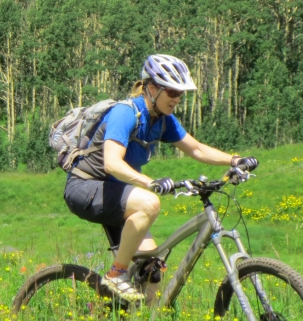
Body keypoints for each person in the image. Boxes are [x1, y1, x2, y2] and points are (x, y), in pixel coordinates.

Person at [63, 54, 257, 302]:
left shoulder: (163, 121)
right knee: (150, 203)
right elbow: (111, 163)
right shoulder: (126, 113)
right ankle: (116, 274)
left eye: (181, 94)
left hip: (118, 196)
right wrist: (150, 183)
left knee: (152, 270)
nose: (177, 99)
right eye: (172, 92)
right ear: (152, 88)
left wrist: (234, 161)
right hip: (86, 188)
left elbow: (196, 149)